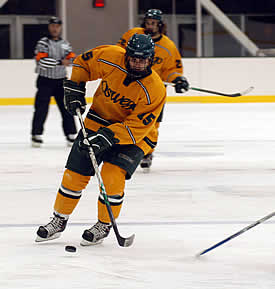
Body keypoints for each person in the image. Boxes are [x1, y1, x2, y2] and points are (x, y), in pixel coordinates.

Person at [35, 34, 166, 245]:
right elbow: (83, 64)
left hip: (136, 136)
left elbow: (137, 127)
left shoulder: (155, 89)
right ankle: (58, 220)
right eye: (134, 59)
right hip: (98, 121)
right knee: (74, 174)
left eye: (143, 60)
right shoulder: (110, 56)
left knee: (111, 175)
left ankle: (103, 224)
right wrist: (76, 87)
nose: (138, 63)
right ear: (127, 55)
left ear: (151, 59)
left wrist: (108, 137)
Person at [117, 9, 189, 170]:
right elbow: (118, 53)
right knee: (124, 117)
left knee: (151, 123)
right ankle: (122, 146)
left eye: (154, 23)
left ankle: (147, 151)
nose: (150, 26)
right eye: (148, 22)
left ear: (160, 25)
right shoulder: (132, 35)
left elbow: (172, 69)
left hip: (153, 90)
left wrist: (177, 79)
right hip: (130, 85)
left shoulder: (168, 46)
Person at [31, 16, 77, 147]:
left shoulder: (65, 44)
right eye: (52, 26)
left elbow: (72, 59)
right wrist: (60, 62)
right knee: (41, 109)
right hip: (45, 80)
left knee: (66, 108)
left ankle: (71, 133)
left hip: (61, 81)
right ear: (49, 27)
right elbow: (41, 61)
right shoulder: (43, 43)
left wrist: (63, 61)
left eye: (57, 26)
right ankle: (36, 134)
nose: (55, 29)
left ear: (60, 28)